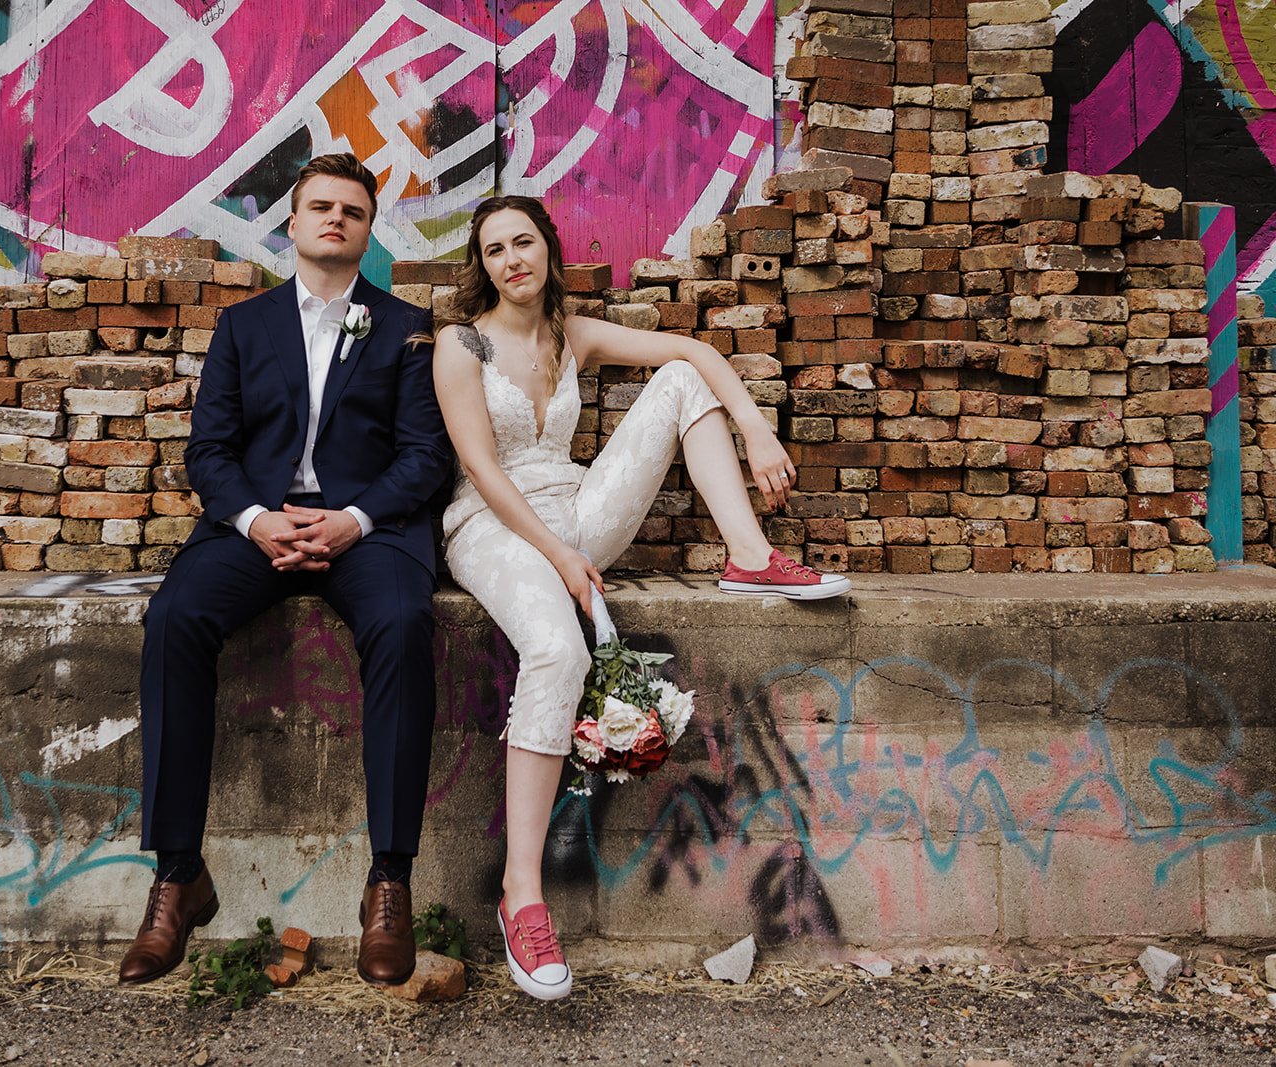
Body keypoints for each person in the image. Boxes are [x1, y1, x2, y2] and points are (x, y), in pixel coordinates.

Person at [431, 195, 849, 1000]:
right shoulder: (462, 343)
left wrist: (755, 425)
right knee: (558, 649)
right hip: (492, 523)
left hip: (578, 509)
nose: (512, 259)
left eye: (524, 242)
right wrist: (557, 555)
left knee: (683, 379)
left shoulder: (571, 332)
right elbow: (480, 467)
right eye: (493, 250)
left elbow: (691, 348)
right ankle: (523, 899)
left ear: (548, 249)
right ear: (480, 265)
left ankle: (751, 555)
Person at [120, 153, 452, 988]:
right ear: (293, 225)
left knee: (406, 622)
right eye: (320, 207)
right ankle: (177, 874)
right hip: (256, 527)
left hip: (367, 529)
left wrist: (353, 520)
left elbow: (424, 458)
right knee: (173, 620)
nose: (335, 219)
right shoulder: (244, 326)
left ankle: (389, 878)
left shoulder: (408, 325)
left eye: (352, 210)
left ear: (368, 230)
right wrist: (259, 520)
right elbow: (209, 451)